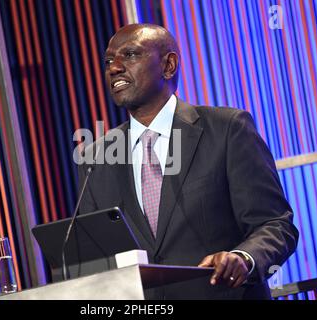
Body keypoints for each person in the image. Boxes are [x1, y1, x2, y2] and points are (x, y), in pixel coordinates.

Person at [77, 23, 298, 299]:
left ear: (169, 65)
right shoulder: (96, 158)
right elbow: (92, 262)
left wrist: (243, 258)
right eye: (109, 60)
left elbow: (276, 224)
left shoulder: (227, 129)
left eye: (130, 55)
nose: (114, 68)